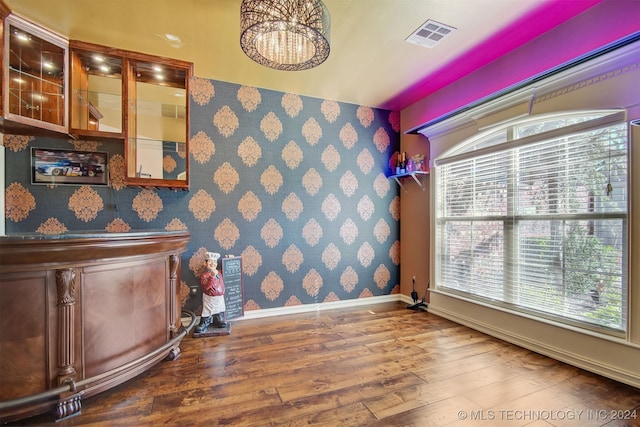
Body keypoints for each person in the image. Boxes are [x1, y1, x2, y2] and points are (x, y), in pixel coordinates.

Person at [195, 252, 227, 333]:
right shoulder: (204, 275)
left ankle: (218, 320)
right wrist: (212, 277)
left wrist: (229, 260)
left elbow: (228, 271)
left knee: (219, 310)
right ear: (205, 263)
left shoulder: (219, 272)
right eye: (210, 262)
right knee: (207, 311)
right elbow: (206, 287)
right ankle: (204, 323)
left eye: (215, 262)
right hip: (210, 297)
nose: (213, 264)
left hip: (219, 297)